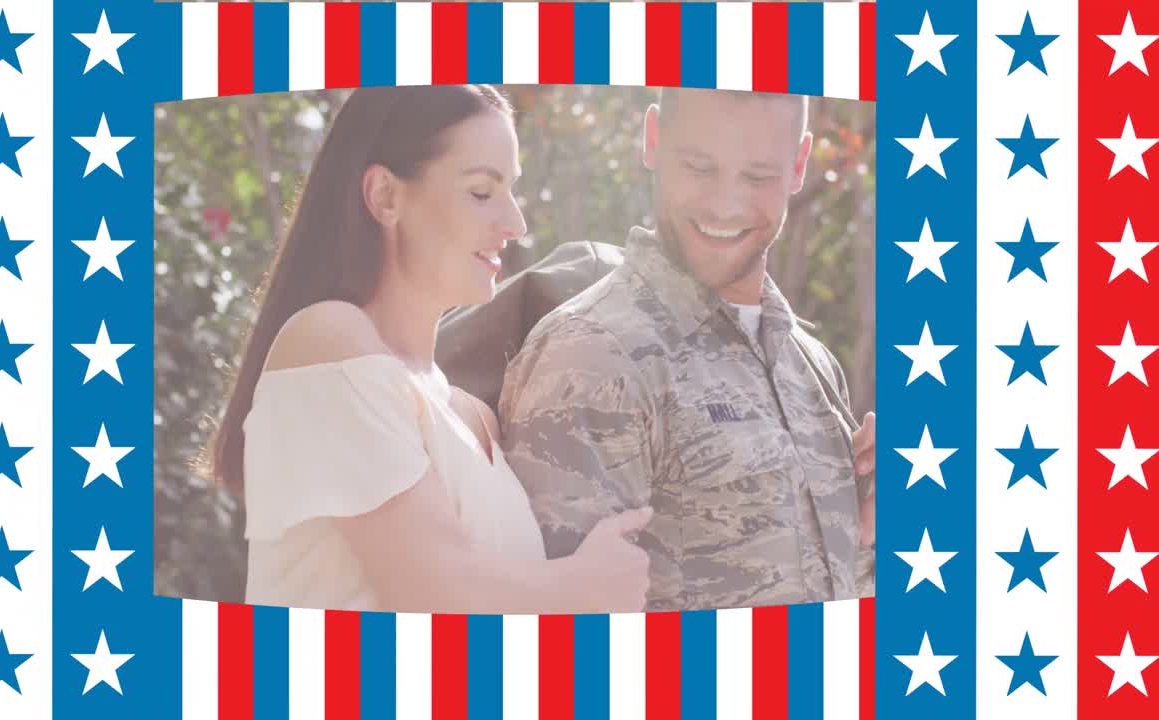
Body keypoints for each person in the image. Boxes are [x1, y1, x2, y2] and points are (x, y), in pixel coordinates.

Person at [206, 85, 651, 615]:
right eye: (482, 192)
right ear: (386, 197)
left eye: (513, 191)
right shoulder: (325, 340)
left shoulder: (473, 414)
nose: (515, 223)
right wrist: (583, 584)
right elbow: (438, 590)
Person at [497, 88, 876, 612]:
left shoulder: (807, 361)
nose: (724, 204)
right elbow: (561, 642)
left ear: (798, 165)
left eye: (757, 176)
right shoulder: (591, 357)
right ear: (653, 139)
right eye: (699, 167)